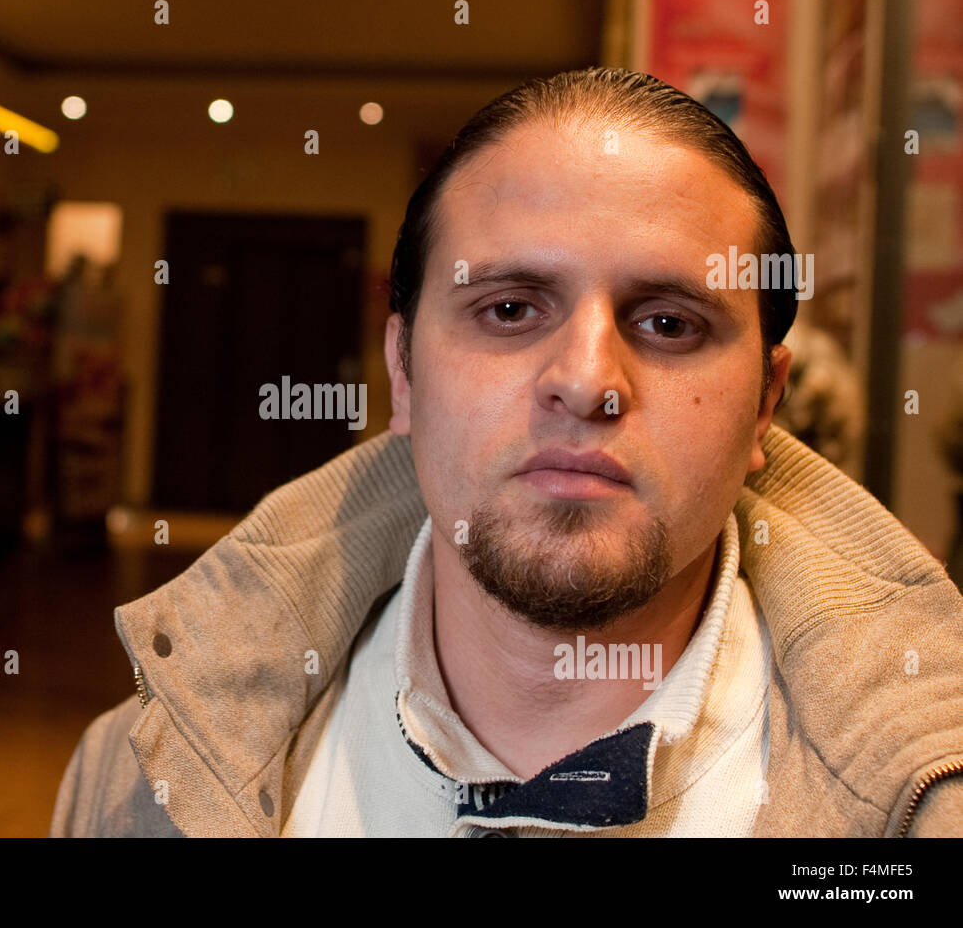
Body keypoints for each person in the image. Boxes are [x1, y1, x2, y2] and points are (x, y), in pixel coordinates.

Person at [50, 67, 963, 838]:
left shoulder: (926, 801)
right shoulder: (137, 777)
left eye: (670, 322)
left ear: (765, 404)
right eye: (512, 309)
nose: (587, 380)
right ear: (402, 373)